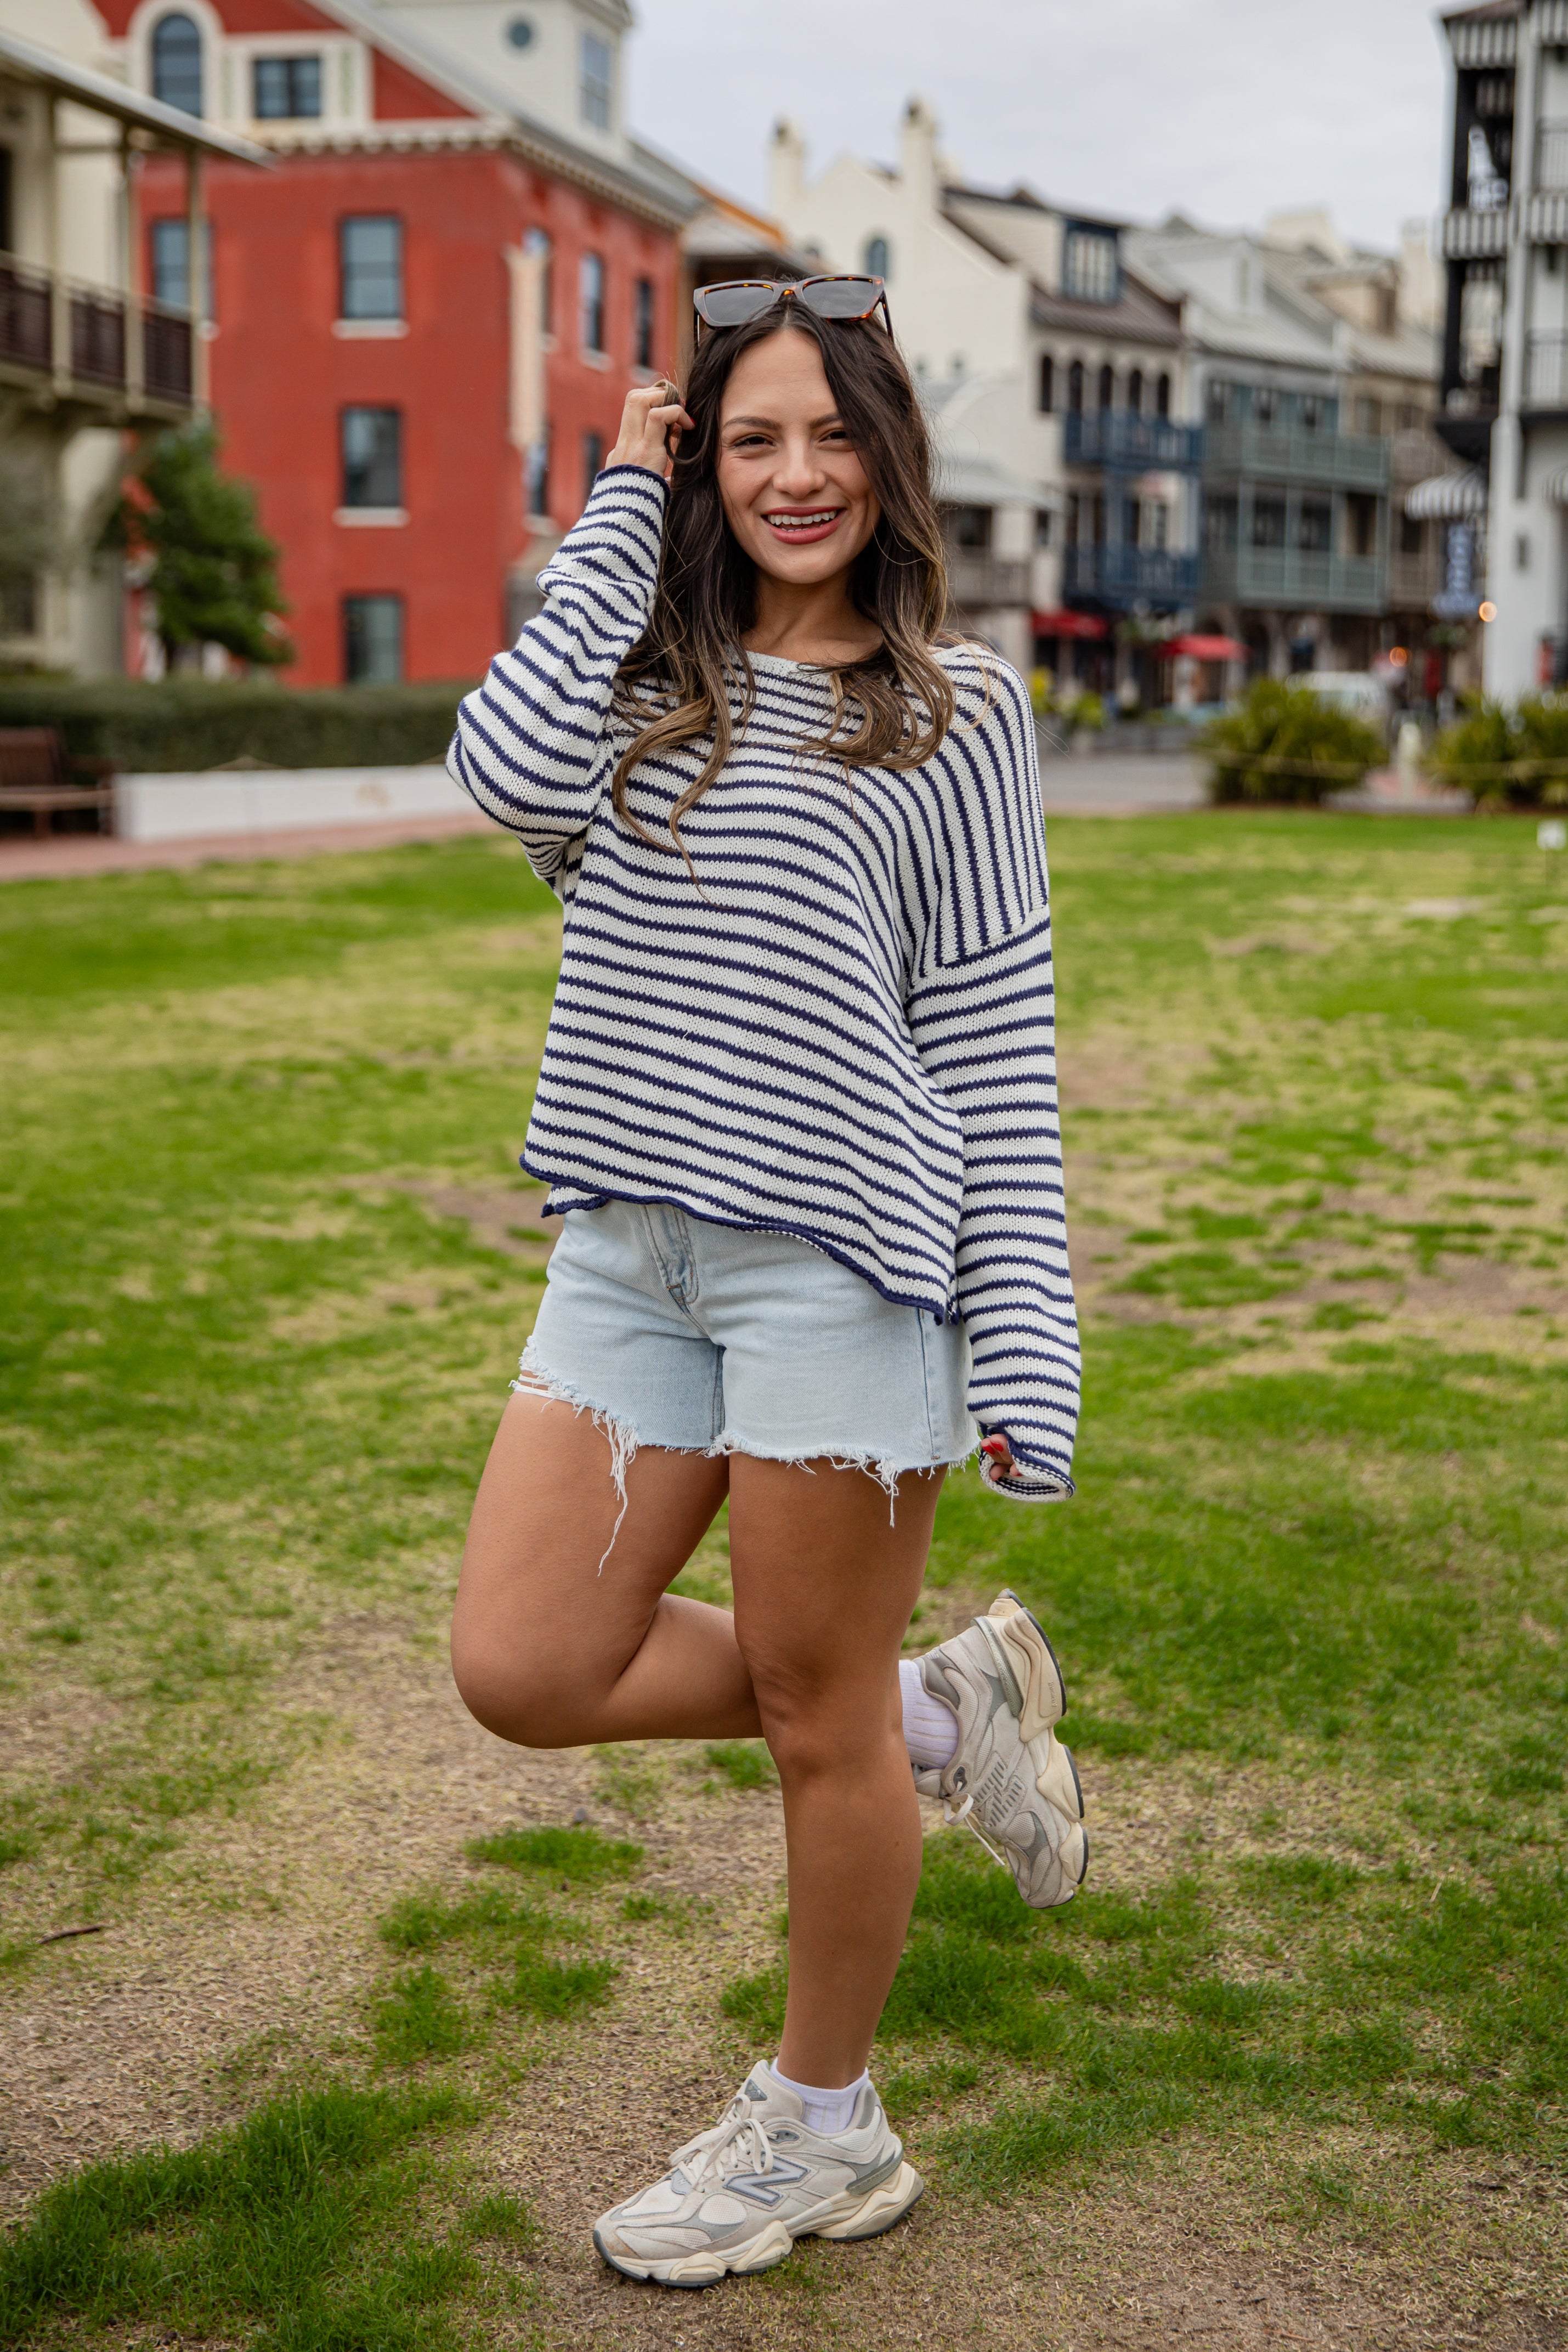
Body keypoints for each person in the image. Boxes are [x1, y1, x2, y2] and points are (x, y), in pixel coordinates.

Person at [446, 274, 1085, 2289]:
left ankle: (825, 2131)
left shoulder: (957, 714)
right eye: (748, 440)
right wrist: (617, 506)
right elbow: (498, 774)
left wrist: (1024, 1336)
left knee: (813, 1722)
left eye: (831, 436)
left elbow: (990, 1040)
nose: (795, 475)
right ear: (698, 465)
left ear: (887, 458)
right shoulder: (636, 673)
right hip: (626, 1254)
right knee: (525, 1665)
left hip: (842, 1268)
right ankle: (941, 1707)